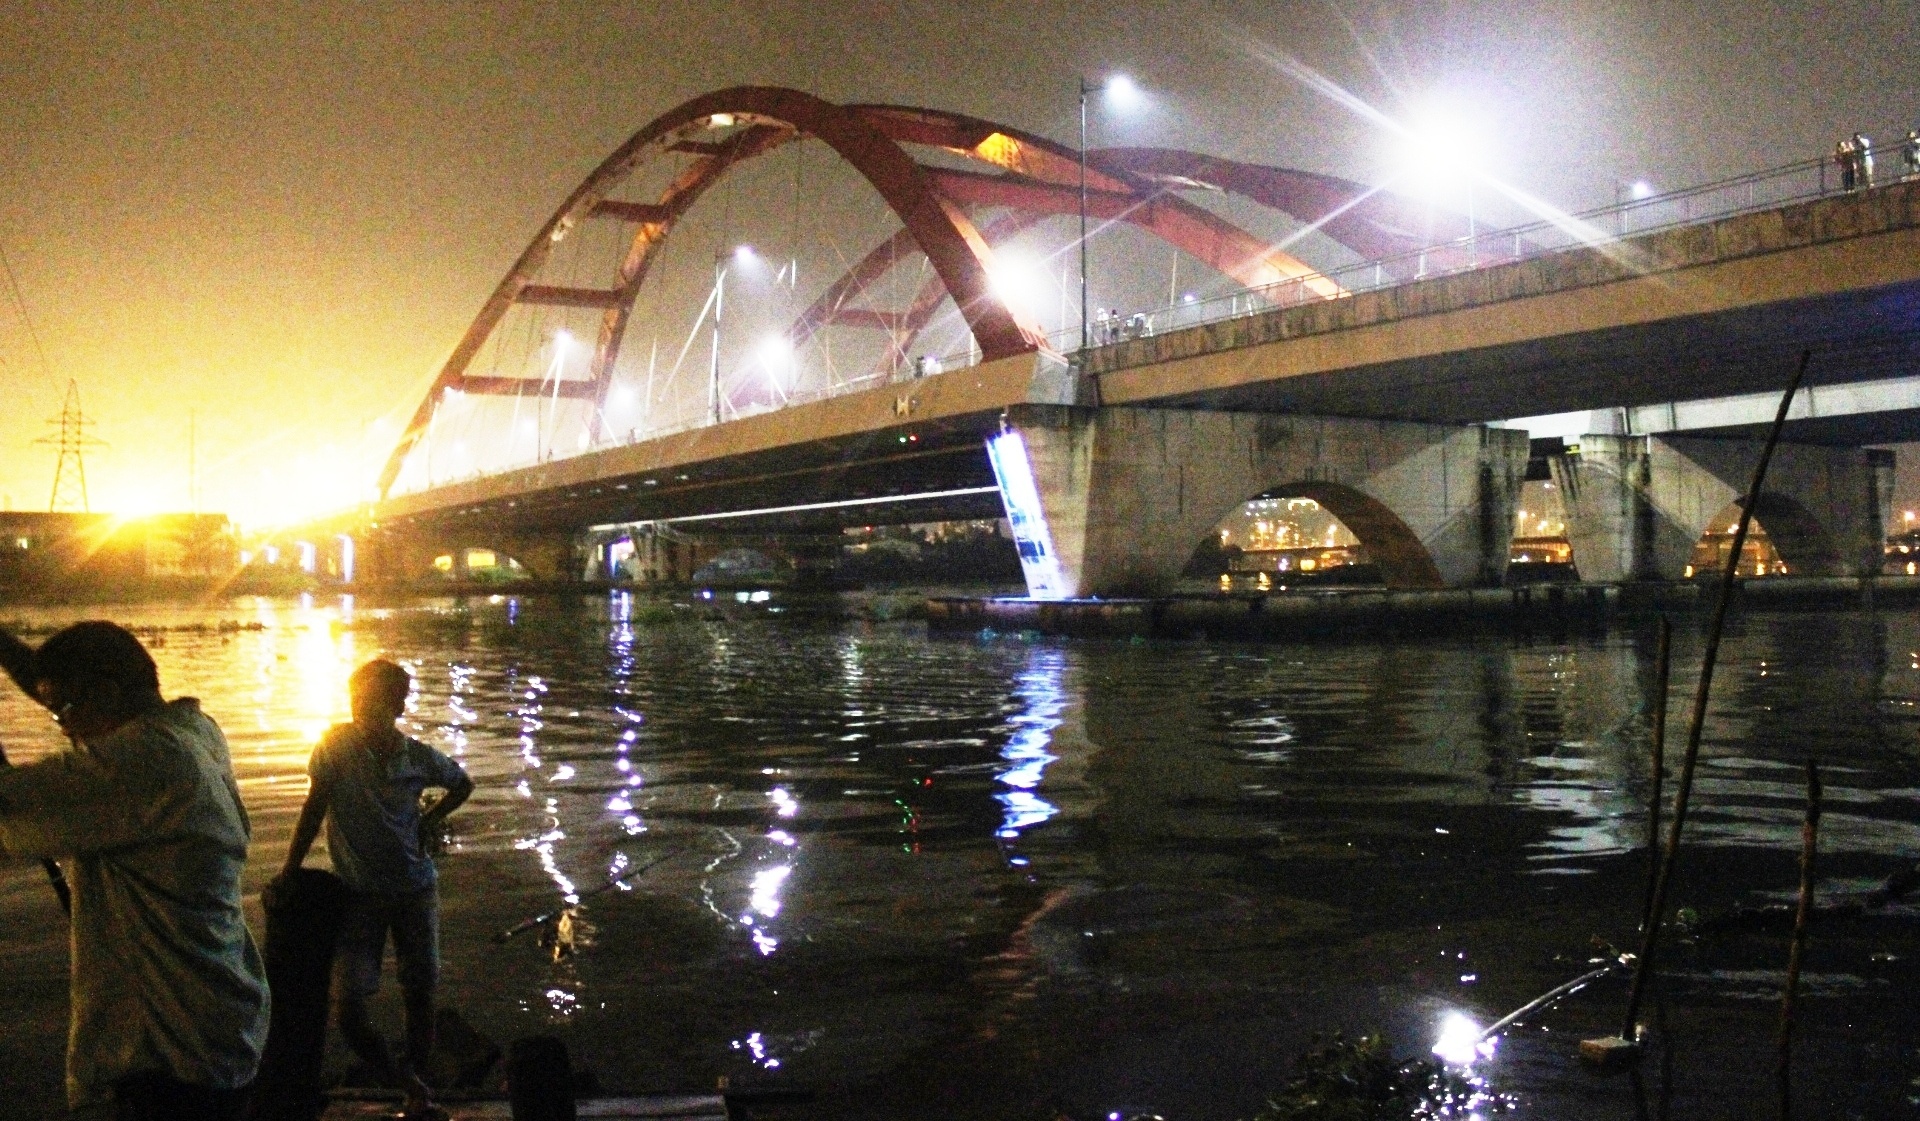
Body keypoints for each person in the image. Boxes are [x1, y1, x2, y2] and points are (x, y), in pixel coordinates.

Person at [0, 622, 269, 1120]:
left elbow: (8, 804)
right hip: (219, 1031)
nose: (62, 727)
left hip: (163, 1060)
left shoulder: (145, 762)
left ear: (107, 692)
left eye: (66, 711)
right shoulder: (192, 732)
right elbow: (57, 690)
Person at [275, 659, 472, 1121]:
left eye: (370, 701)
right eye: (355, 699)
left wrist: (428, 820)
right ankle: (399, 1077)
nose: (360, 709)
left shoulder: (417, 757)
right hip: (357, 894)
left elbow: (462, 784)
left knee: (419, 991)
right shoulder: (336, 747)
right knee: (347, 1005)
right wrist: (289, 869)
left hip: (415, 891)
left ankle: (418, 1092)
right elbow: (313, 808)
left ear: (397, 706)